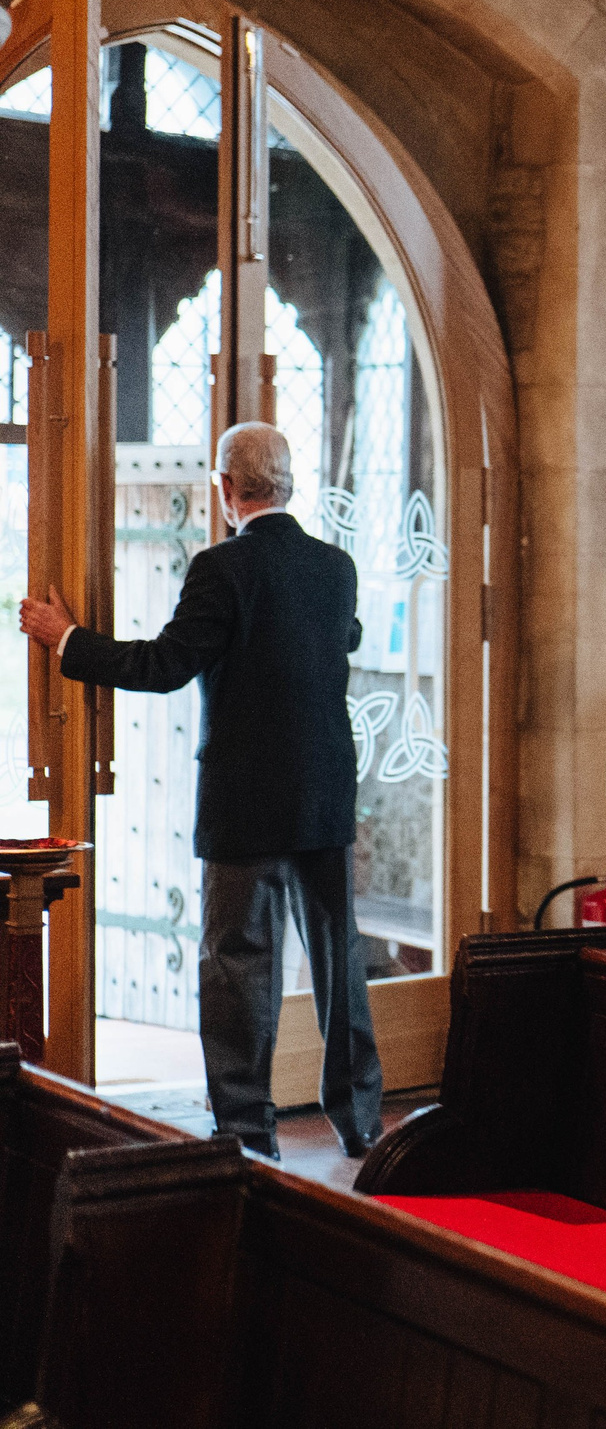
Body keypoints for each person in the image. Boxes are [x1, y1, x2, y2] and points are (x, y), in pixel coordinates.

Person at [18, 421, 379, 1160]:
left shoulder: (223, 568)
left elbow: (166, 664)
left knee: (239, 969)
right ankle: (362, 1121)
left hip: (246, 806)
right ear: (287, 484)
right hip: (325, 797)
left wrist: (68, 639)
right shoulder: (335, 567)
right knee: (341, 964)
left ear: (224, 489)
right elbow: (347, 638)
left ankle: (249, 1134)